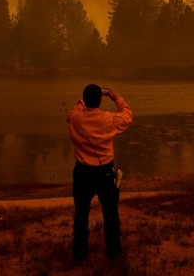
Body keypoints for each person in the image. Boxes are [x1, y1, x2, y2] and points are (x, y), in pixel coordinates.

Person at [66, 83, 133, 263]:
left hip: (82, 172)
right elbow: (127, 116)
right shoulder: (108, 119)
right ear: (100, 101)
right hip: (104, 172)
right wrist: (116, 97)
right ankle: (113, 251)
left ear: (85, 100)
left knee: (81, 213)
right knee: (111, 212)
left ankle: (79, 253)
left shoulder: (75, 118)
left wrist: (82, 101)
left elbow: (72, 112)